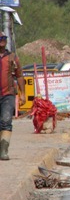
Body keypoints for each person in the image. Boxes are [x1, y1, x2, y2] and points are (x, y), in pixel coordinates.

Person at [0, 32, 25, 160]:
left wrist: (23, 94)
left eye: (4, 38)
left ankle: (3, 151)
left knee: (6, 121)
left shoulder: (12, 57)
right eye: (0, 39)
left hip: (8, 94)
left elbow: (19, 75)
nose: (2, 41)